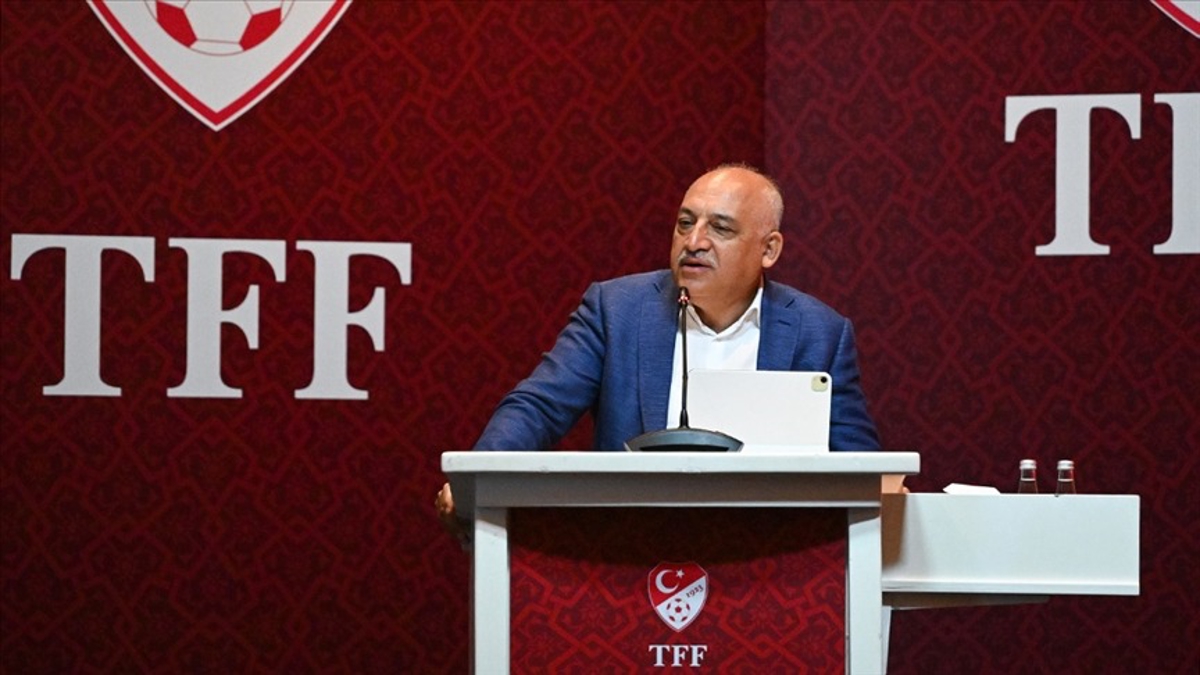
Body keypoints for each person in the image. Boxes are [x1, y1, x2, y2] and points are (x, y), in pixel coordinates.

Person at [435, 164, 880, 529]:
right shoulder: (616, 310)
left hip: (766, 562)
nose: (694, 242)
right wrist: (477, 478)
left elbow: (862, 469)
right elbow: (539, 406)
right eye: (685, 223)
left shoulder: (818, 332)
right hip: (630, 549)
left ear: (769, 250)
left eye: (720, 228)